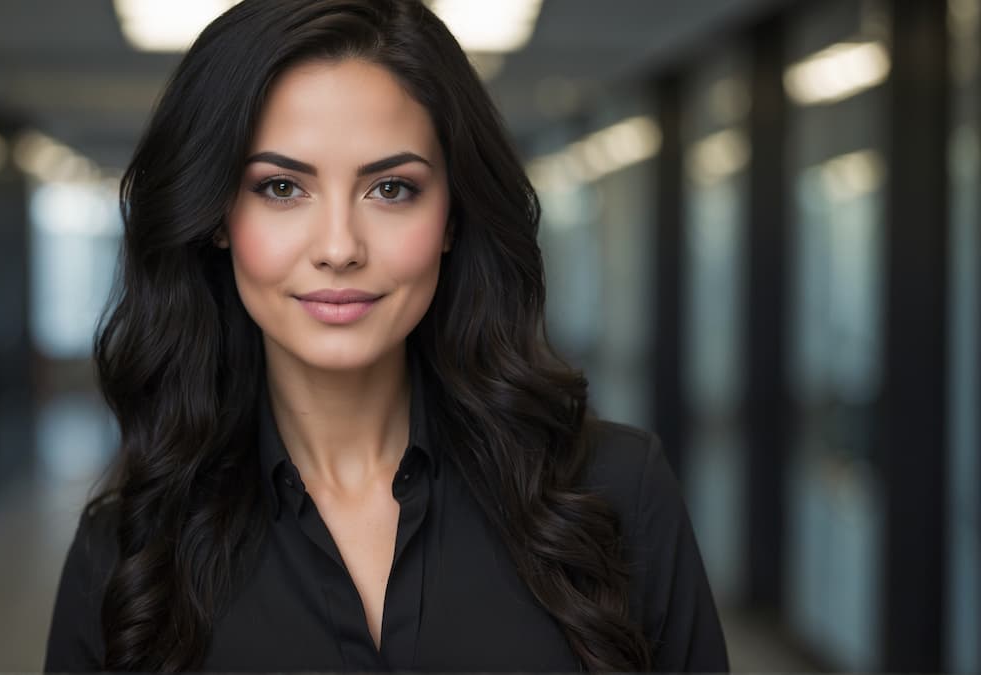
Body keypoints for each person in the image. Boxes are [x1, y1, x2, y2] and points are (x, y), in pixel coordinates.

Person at [44, 0, 728, 671]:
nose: (339, 248)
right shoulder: (129, 553)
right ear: (218, 216)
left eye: (392, 189)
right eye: (282, 187)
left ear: (453, 217)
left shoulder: (613, 494)